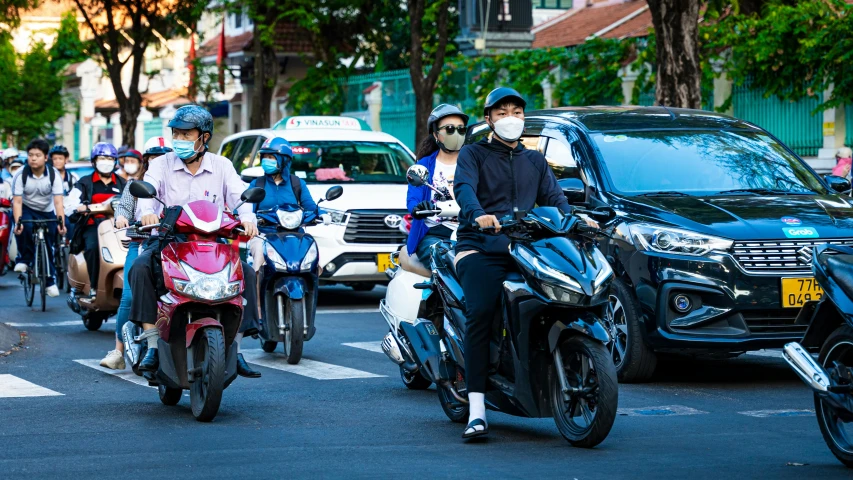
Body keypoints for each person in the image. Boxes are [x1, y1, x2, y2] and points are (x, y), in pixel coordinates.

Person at [453, 87, 597, 440]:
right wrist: (479, 215)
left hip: (528, 249)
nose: (510, 118)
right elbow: (464, 189)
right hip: (481, 247)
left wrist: (576, 220)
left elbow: (555, 199)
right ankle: (476, 409)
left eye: (516, 111)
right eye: (501, 112)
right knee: (481, 313)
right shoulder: (473, 153)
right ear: (488, 119)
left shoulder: (534, 160)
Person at [129, 105, 262, 378]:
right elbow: (147, 196)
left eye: (186, 134)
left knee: (246, 273)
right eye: (176, 133)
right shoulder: (160, 164)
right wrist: (147, 214)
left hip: (213, 244)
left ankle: (236, 350)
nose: (179, 138)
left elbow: (241, 197)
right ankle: (152, 344)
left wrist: (248, 219)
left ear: (204, 137)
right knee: (141, 267)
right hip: (169, 241)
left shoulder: (222, 166)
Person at [99, 138, 171, 369]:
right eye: (153, 156)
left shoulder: (176, 183)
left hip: (173, 245)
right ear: (146, 160)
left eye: (163, 155)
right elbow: (123, 207)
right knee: (129, 296)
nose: (158, 160)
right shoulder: (134, 185)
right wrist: (121, 217)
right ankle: (118, 351)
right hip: (141, 243)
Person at [406, 104, 469, 262]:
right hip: (435, 234)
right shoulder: (423, 165)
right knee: (448, 260)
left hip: (472, 233)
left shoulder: (474, 163)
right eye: (449, 129)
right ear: (435, 134)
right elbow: (413, 198)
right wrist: (418, 208)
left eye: (461, 129)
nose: (456, 134)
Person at [64, 143, 126, 298]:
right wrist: (81, 208)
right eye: (102, 158)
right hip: (92, 226)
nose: (106, 161)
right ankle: (93, 286)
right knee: (93, 248)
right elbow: (70, 205)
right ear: (94, 161)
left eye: (110, 158)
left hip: (118, 227)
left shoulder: (122, 183)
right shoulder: (84, 183)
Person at [246, 137, 317, 273]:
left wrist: (323, 215)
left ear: (284, 160)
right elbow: (246, 208)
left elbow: (311, 207)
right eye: (265, 157)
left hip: (295, 236)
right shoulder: (257, 184)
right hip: (264, 235)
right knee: (259, 255)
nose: (267, 160)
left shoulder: (297, 183)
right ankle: (257, 291)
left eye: (271, 157)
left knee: (315, 257)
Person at [11, 138, 66, 298]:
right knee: (24, 228)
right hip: (27, 208)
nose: (33, 158)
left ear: (45, 157)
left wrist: (61, 222)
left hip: (47, 210)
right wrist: (18, 222)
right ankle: (24, 258)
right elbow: (17, 202)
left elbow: (58, 202)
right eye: (30, 155)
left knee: (49, 243)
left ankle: (50, 281)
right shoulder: (21, 174)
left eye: (37, 155)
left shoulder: (53, 174)